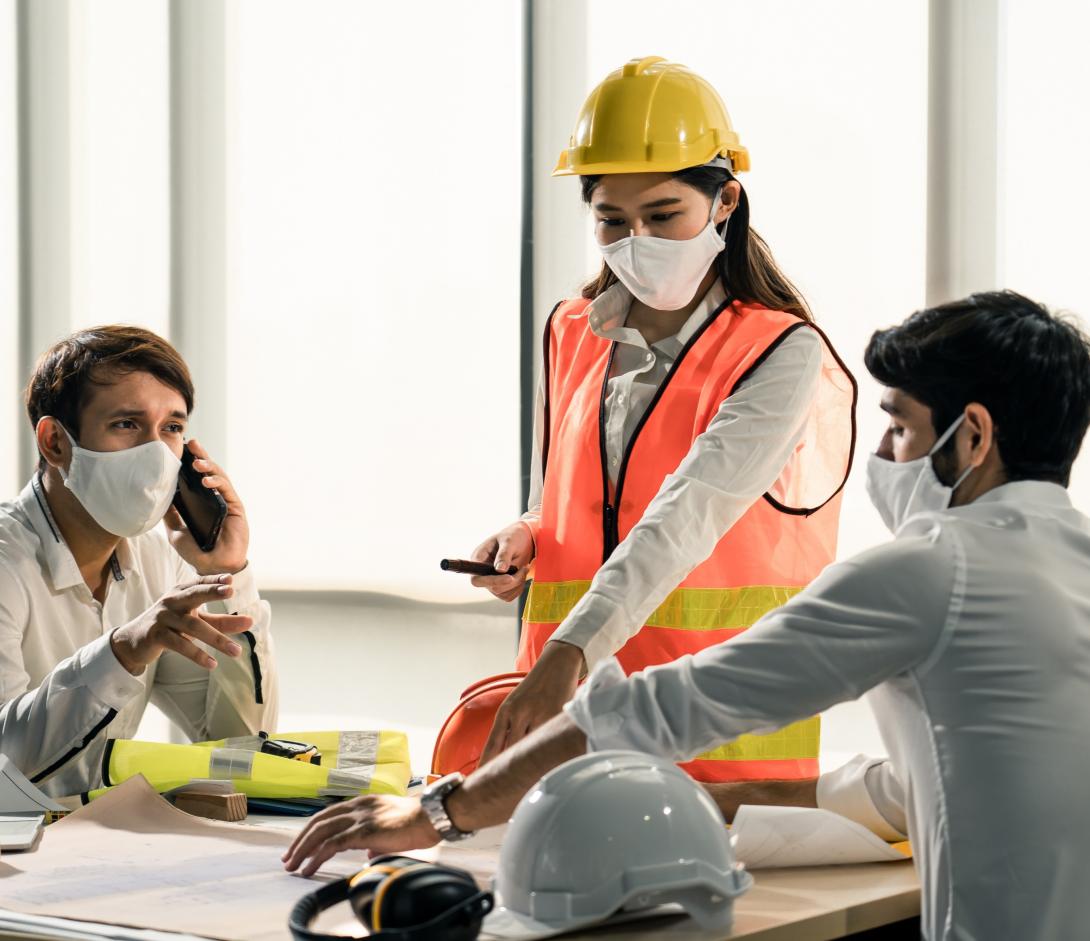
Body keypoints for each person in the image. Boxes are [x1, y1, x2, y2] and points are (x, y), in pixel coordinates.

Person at [284, 291, 1090, 941]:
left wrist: (437, 810)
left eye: (899, 426)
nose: (882, 456)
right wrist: (712, 801)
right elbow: (939, 777)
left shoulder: (932, 563)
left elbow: (663, 706)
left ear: (972, 434)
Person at [470, 56, 857, 783]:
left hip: (715, 739)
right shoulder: (571, 330)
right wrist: (526, 533)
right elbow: (570, 492)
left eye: (662, 215)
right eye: (611, 220)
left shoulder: (778, 349)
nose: (635, 239)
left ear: (725, 201)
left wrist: (566, 653)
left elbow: (687, 513)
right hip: (569, 727)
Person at [0, 325, 278, 797]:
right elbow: (5, 766)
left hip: (103, 844)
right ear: (54, 443)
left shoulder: (158, 558)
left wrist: (227, 576)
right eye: (126, 424)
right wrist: (122, 650)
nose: (155, 454)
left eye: (171, 428)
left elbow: (238, 745)